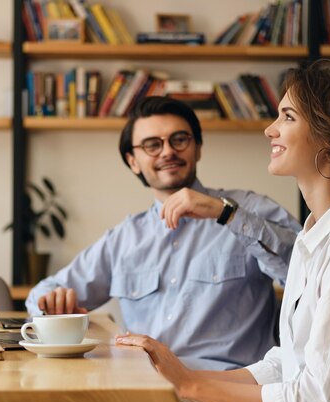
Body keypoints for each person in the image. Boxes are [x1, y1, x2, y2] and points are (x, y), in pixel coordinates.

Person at [116, 60, 330, 402]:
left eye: (287, 117)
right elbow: (286, 362)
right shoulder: (317, 233)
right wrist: (179, 376)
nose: (269, 130)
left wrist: (189, 385)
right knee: (130, 401)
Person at [25, 96, 301, 371]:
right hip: (145, 385)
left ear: (198, 148)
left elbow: (310, 273)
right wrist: (52, 305)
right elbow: (42, 293)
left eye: (179, 139)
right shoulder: (125, 238)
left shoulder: (249, 210)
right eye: (152, 145)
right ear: (133, 161)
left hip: (226, 388)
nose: (168, 152)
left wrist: (225, 214)